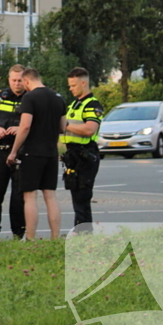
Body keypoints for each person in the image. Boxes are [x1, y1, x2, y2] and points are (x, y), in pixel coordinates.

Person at [6, 68, 65, 241]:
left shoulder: (29, 98)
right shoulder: (58, 98)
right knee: (50, 195)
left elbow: (24, 127)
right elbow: (62, 127)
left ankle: (31, 238)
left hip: (32, 152)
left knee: (30, 196)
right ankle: (55, 237)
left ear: (26, 81)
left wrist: (14, 151)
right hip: (51, 152)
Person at [0, 64, 26, 241]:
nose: (17, 84)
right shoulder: (0, 96)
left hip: (21, 153)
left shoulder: (30, 98)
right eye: (14, 80)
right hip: (0, 151)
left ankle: (18, 233)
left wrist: (21, 129)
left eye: (20, 80)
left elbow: (35, 124)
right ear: (9, 80)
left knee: (18, 198)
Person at [60, 67, 104, 227]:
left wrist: (66, 125)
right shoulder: (74, 105)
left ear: (83, 83)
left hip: (86, 155)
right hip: (73, 156)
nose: (70, 89)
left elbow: (89, 129)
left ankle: (84, 235)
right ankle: (81, 232)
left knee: (83, 199)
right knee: (77, 198)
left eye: (73, 85)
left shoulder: (92, 105)